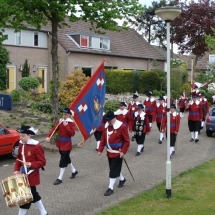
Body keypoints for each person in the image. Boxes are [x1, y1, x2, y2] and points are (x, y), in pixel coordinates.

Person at [14, 126, 47, 215]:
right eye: (20, 136)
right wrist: (16, 170)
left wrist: (32, 164)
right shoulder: (21, 145)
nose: (20, 138)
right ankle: (44, 212)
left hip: (32, 175)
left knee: (26, 197)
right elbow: (19, 158)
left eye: (23, 136)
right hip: (23, 174)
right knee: (33, 194)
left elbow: (43, 162)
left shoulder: (36, 146)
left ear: (29, 135)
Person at [98, 111, 130, 196]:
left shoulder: (122, 126)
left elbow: (127, 141)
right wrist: (100, 149)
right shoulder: (106, 127)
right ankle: (122, 179)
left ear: (114, 118)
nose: (109, 122)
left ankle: (110, 188)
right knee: (114, 168)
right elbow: (103, 139)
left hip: (118, 153)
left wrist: (123, 151)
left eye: (110, 121)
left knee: (112, 170)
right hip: (109, 152)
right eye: (107, 121)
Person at [46, 108, 78, 185]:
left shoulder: (71, 123)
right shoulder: (60, 121)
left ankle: (59, 178)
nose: (64, 116)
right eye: (63, 114)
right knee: (66, 158)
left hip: (67, 145)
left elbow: (72, 134)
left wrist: (66, 126)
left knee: (63, 160)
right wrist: (48, 136)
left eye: (65, 114)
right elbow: (54, 129)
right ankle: (74, 171)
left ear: (69, 115)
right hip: (60, 143)